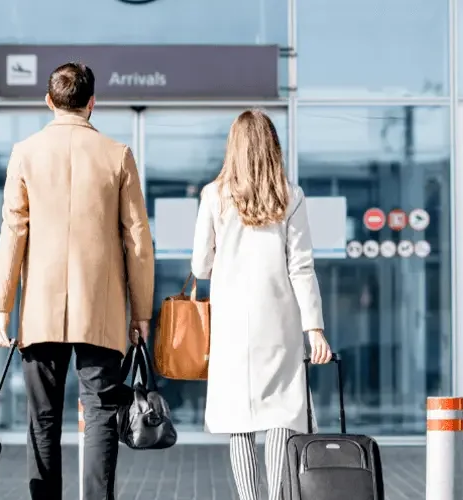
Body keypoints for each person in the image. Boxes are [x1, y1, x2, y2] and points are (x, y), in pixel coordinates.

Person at [0, 62, 154, 500]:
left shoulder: (25, 152)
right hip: (100, 308)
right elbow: (137, 238)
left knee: (42, 418)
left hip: (40, 311)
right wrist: (142, 313)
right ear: (92, 103)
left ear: (49, 102)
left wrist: (1, 308)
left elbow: (13, 231)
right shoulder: (117, 154)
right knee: (100, 412)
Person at [191, 109, 333, 500]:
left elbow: (200, 267)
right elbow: (302, 268)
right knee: (280, 416)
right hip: (280, 322)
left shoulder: (213, 196)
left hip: (232, 326)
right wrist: (314, 329)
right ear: (272, 147)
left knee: (240, 420)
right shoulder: (291, 196)